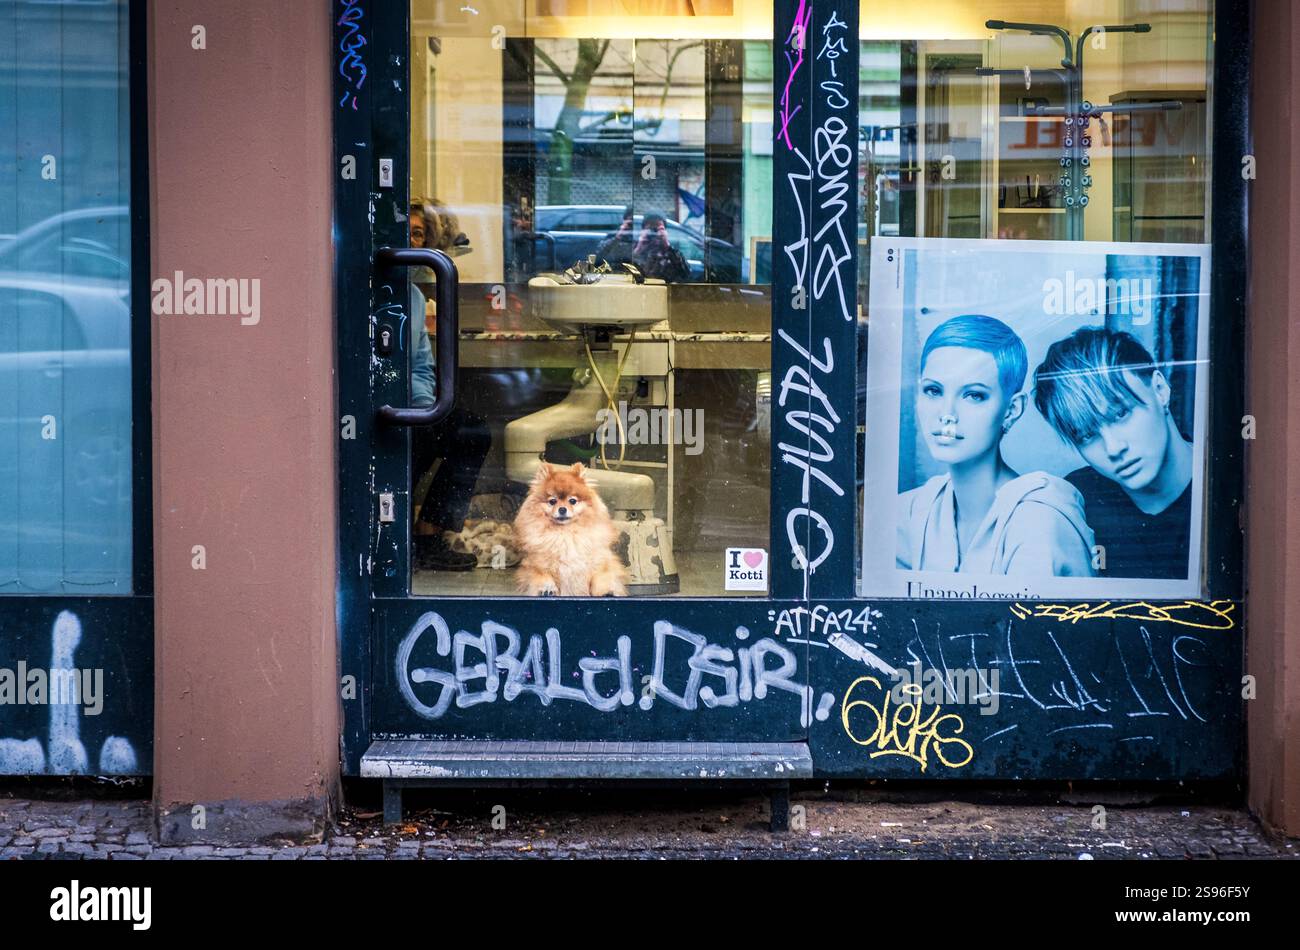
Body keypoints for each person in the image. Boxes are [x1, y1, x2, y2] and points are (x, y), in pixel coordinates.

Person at [897, 314, 1095, 576]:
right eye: (934, 391)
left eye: (974, 395)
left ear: (1012, 410)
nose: (947, 413)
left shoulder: (1041, 520)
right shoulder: (911, 512)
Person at [1032, 327, 1194, 578]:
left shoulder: (1224, 486)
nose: (1113, 448)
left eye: (1121, 413)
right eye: (1086, 436)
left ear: (1160, 389)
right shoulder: (1075, 502)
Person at [407, 199, 491, 571]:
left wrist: (427, 411)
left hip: (410, 404)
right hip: (372, 409)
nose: (410, 241)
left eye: (418, 234)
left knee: (471, 431)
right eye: (404, 232)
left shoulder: (412, 297)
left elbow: (423, 366)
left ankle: (428, 535)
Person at [596, 208, 690, 282]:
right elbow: (623, 272)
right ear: (643, 230)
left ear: (665, 230)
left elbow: (686, 274)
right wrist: (639, 248)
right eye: (650, 228)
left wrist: (667, 246)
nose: (654, 232)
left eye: (659, 228)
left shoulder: (671, 253)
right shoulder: (635, 248)